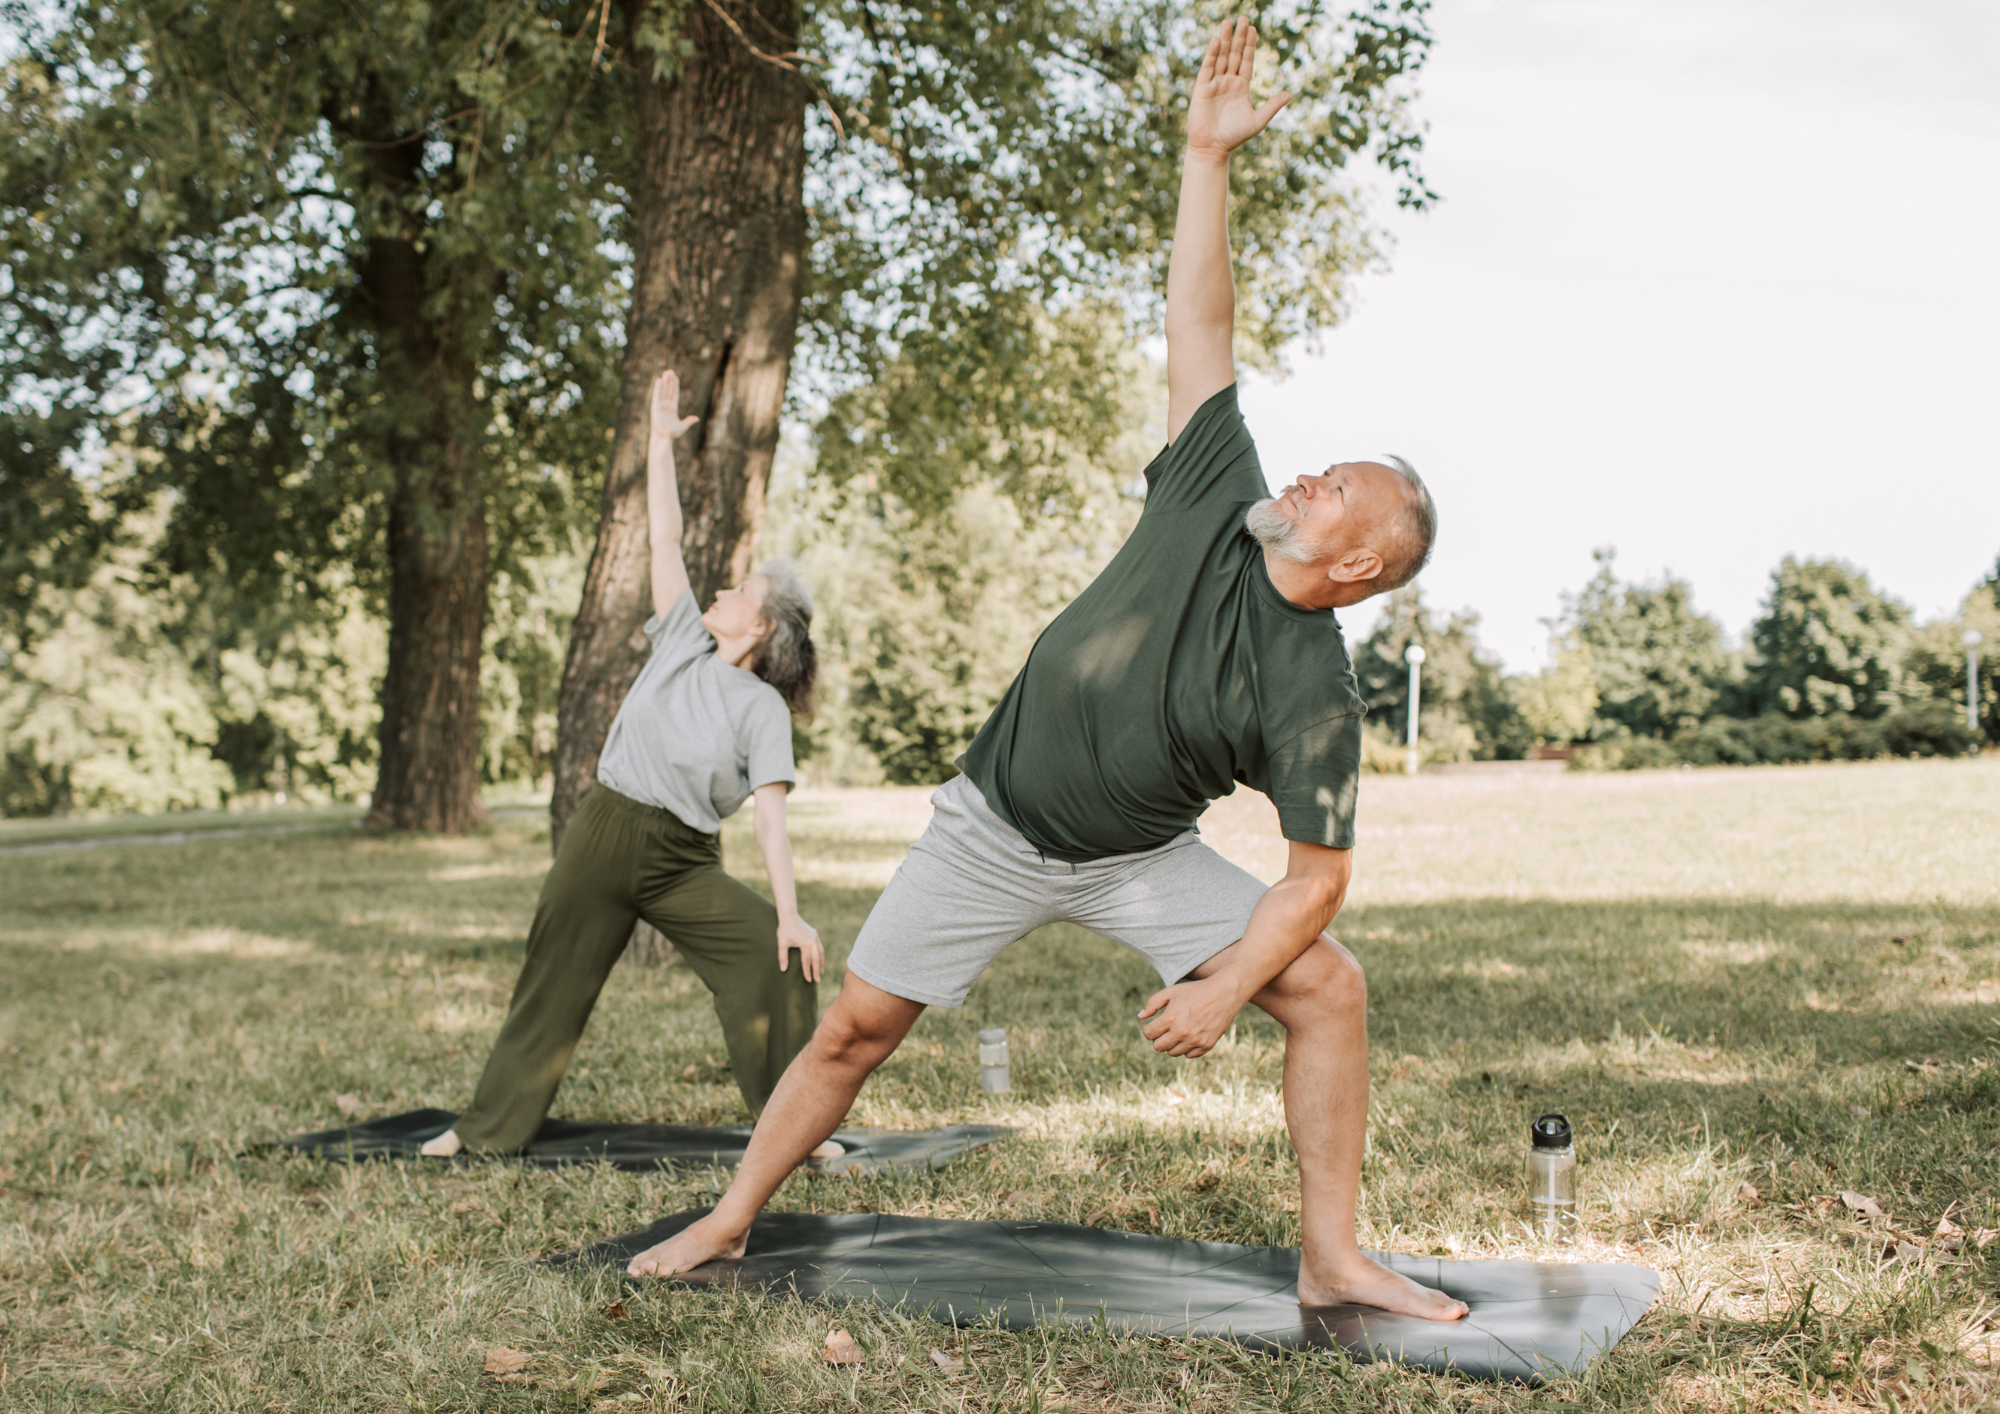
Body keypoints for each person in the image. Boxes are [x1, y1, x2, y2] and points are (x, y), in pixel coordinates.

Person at [619, 19, 1465, 1321]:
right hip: (992, 824)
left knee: (1328, 985)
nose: (1307, 474)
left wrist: (1227, 982)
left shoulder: (1316, 689)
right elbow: (1200, 311)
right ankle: (729, 1219)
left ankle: (1333, 1254)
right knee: (853, 1030)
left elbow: (1317, 881)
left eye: (1337, 485)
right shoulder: (1215, 487)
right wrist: (1205, 157)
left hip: (1132, 854)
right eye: (1321, 462)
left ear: (1357, 564)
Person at [420, 369, 829, 1159]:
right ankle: (485, 1132)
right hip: (604, 834)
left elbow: (772, 822)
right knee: (552, 980)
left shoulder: (762, 710)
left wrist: (788, 912)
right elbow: (665, 537)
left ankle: (796, 1134)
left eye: (740, 588)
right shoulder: (680, 636)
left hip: (681, 861)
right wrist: (657, 444)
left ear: (764, 626)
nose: (721, 586)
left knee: (774, 957)